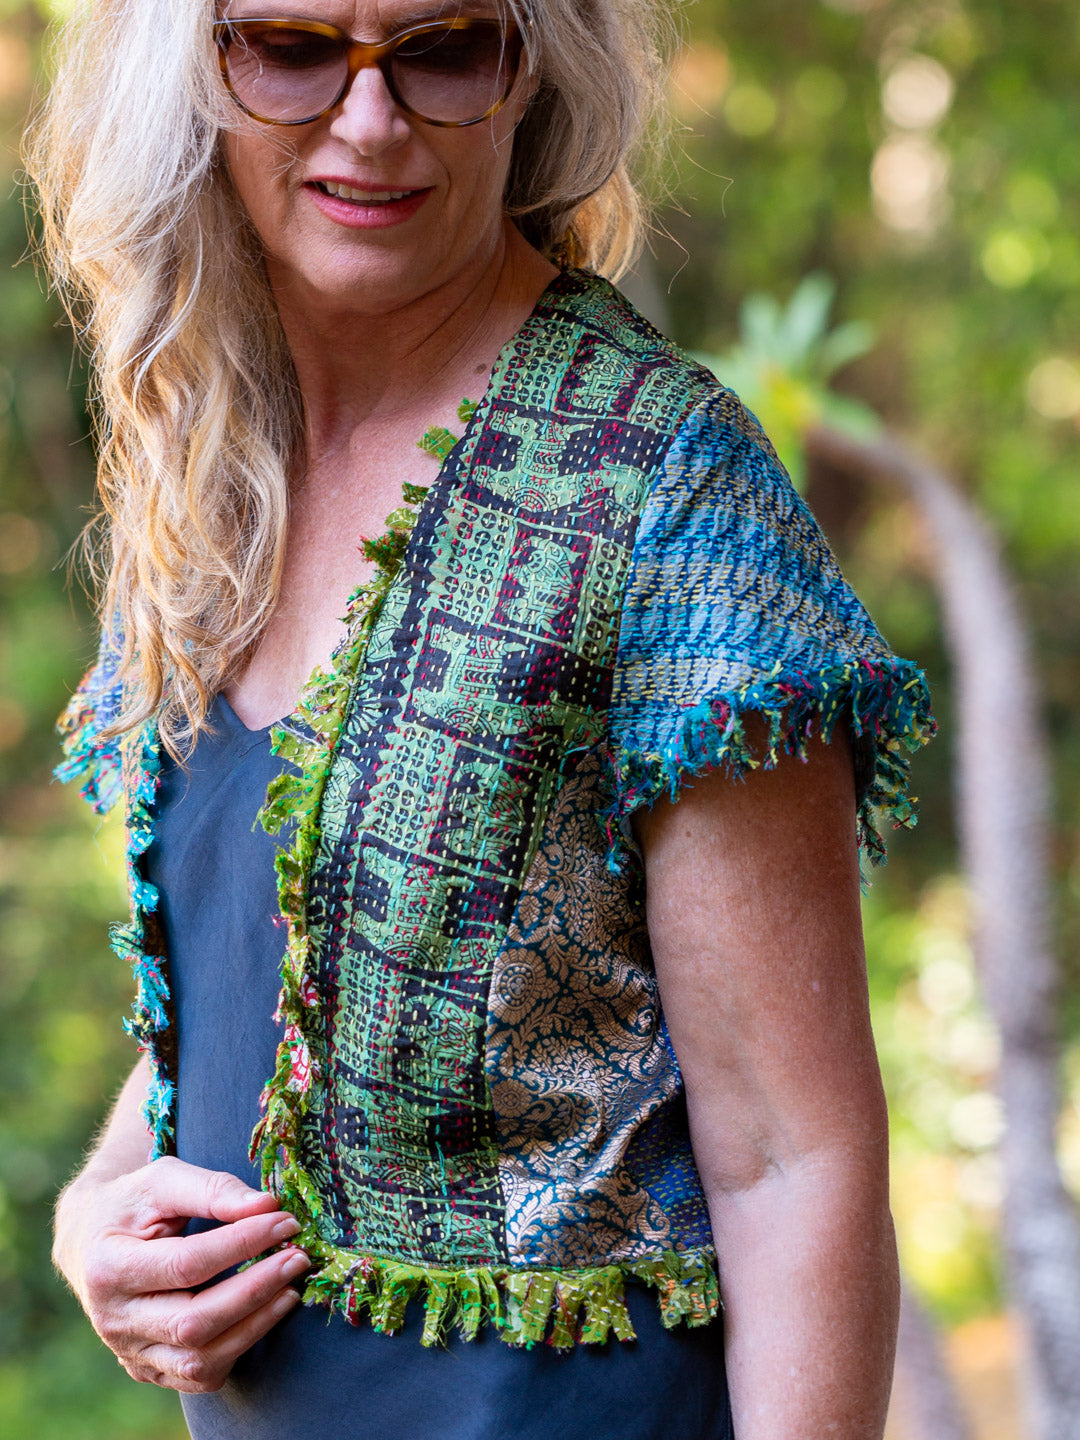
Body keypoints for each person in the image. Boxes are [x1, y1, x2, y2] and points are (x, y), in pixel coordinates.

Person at [28, 1, 935, 1437]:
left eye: (443, 48)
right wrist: (96, 1211)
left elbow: (793, 1162)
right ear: (190, 74)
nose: (370, 121)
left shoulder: (662, 492)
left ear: (531, 73)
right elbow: (288, 972)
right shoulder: (212, 457)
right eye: (292, 47)